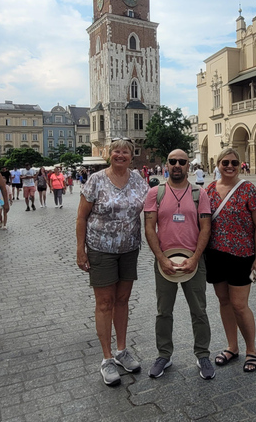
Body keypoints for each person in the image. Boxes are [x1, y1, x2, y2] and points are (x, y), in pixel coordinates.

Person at [76, 138, 148, 386]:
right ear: (109, 154)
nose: (120, 155)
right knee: (105, 302)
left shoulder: (139, 180)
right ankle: (106, 358)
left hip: (129, 248)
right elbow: (81, 217)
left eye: (125, 152)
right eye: (116, 151)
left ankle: (121, 351)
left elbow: (153, 207)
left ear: (131, 155)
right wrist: (80, 249)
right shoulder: (96, 179)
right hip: (100, 248)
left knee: (122, 300)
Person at [144, 149, 214, 380]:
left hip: (193, 260)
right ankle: (164, 354)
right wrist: (161, 259)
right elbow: (149, 228)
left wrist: (195, 258)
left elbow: (206, 228)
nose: (177, 165)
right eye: (172, 161)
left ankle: (202, 354)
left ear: (188, 166)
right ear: (166, 164)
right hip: (165, 261)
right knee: (163, 312)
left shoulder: (199, 193)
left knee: (199, 311)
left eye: (182, 162)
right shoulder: (155, 193)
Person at [204, 148, 256, 373]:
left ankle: (252, 349)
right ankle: (232, 346)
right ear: (217, 164)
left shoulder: (248, 189)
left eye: (234, 163)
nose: (230, 166)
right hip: (215, 254)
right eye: (225, 162)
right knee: (224, 302)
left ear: (240, 165)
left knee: (240, 305)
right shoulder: (208, 190)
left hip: (242, 255)